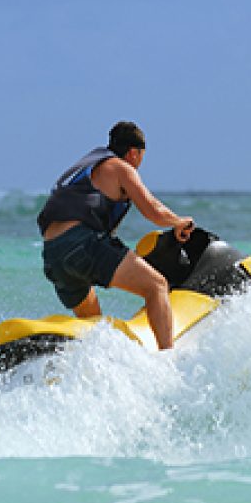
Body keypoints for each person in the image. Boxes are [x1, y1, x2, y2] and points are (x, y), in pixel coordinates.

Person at [37, 121, 194, 350]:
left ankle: (89, 364)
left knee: (92, 323)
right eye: (141, 155)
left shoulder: (88, 166)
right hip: (81, 244)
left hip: (53, 255)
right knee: (157, 286)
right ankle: (168, 359)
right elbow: (153, 210)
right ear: (133, 152)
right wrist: (179, 222)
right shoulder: (120, 168)